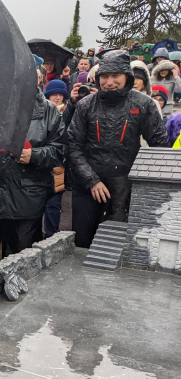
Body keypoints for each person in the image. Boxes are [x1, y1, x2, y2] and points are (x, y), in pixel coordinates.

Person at [68, 50, 168, 248]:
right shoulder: (86, 105)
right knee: (82, 242)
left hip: (123, 185)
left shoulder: (143, 104)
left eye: (115, 76)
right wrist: (92, 180)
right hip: (87, 184)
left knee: (114, 244)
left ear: (127, 77)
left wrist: (145, 182)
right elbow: (73, 145)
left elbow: (160, 144)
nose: (109, 82)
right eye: (104, 77)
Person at [0, 84, 64, 270]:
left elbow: (59, 150)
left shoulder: (47, 111)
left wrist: (35, 155)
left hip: (26, 201)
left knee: (19, 265)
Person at [42, 79, 72, 237]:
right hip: (42, 163)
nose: (57, 97)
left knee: (54, 205)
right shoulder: (42, 111)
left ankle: (50, 237)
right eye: (54, 94)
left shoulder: (68, 112)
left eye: (60, 94)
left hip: (58, 166)